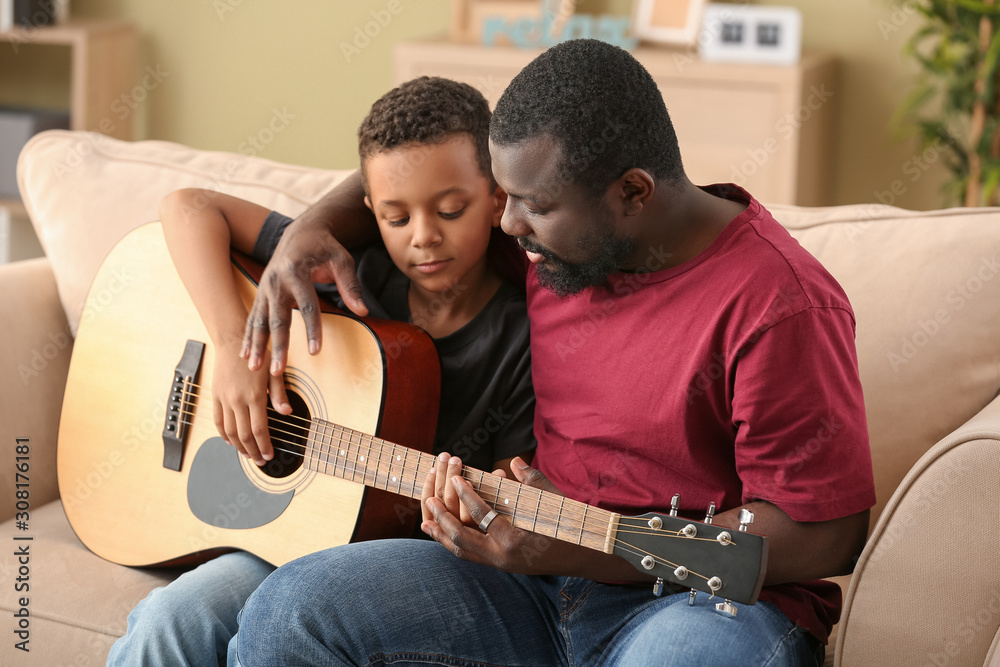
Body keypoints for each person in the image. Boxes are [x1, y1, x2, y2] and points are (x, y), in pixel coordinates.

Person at [232, 39, 876, 666]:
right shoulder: (560, 241)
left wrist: (580, 547)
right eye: (504, 195)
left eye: (532, 205)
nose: (506, 223)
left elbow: (825, 535)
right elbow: (420, 179)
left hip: (697, 606)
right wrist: (307, 230)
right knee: (290, 612)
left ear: (632, 192)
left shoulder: (780, 306)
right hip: (532, 587)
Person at [105, 76, 536, 667]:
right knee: (167, 621)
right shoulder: (342, 271)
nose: (424, 236)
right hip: (279, 535)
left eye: (451, 209)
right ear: (369, 214)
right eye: (395, 216)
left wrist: (464, 506)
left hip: (379, 560)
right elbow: (188, 207)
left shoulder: (525, 337)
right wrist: (235, 349)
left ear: (495, 199)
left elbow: (509, 493)